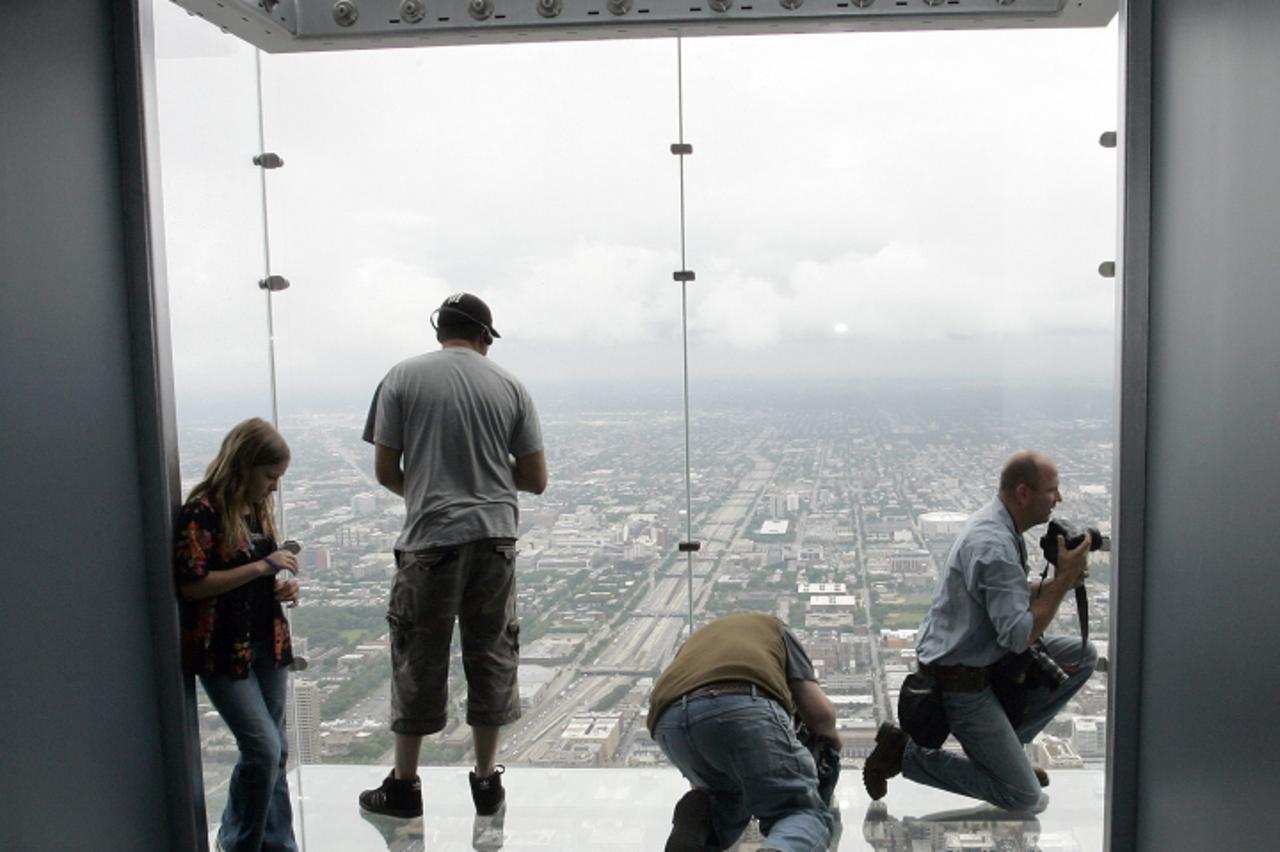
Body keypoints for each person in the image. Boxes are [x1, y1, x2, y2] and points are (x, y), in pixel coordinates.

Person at [358, 292, 546, 820]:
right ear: (485, 336)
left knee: (418, 657)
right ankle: (487, 783)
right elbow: (536, 479)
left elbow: (385, 469)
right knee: (490, 654)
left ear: (439, 329)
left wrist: (430, 493)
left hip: (430, 538)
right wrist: (485, 478)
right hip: (494, 538)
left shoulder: (401, 377)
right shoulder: (510, 386)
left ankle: (404, 786)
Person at [863, 450, 1096, 813]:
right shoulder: (994, 545)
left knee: (1083, 658)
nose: (1059, 499)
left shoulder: (1000, 525)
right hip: (960, 682)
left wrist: (1059, 584)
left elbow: (1008, 596)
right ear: (1023, 492)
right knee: (1025, 798)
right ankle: (905, 756)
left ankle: (1005, 759)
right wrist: (1063, 579)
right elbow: (1019, 636)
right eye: (1052, 490)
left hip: (981, 659)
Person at [174, 417, 301, 852]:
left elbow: (252, 579)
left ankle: (275, 844)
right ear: (245, 465)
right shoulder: (202, 512)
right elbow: (193, 585)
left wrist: (278, 586)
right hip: (224, 649)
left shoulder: (255, 509)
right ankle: (241, 842)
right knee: (263, 749)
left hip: (268, 640)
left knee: (275, 752)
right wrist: (264, 568)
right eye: (270, 476)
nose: (274, 488)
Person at [648, 612, 842, 852]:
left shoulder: (698, 640)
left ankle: (700, 826)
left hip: (668, 722)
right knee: (802, 813)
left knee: (725, 802)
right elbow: (820, 714)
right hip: (742, 705)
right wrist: (832, 738)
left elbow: (697, 709)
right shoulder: (777, 630)